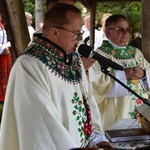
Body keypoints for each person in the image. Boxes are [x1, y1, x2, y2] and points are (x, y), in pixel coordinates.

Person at [0, 4, 116, 150]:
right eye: (76, 33)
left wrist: (95, 138)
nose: (80, 38)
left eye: (80, 32)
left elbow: (87, 100)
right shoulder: (29, 65)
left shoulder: (73, 59)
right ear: (55, 32)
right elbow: (41, 123)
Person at [88, 14, 150, 131]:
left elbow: (148, 69)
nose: (125, 32)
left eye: (127, 29)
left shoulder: (136, 52)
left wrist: (143, 74)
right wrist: (123, 75)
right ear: (108, 32)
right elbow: (95, 82)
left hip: (141, 104)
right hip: (117, 108)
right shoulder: (100, 55)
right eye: (120, 29)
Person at [0, 14, 12, 122]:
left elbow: (7, 39)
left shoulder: (3, 25)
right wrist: (2, 48)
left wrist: (7, 46)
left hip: (5, 56)